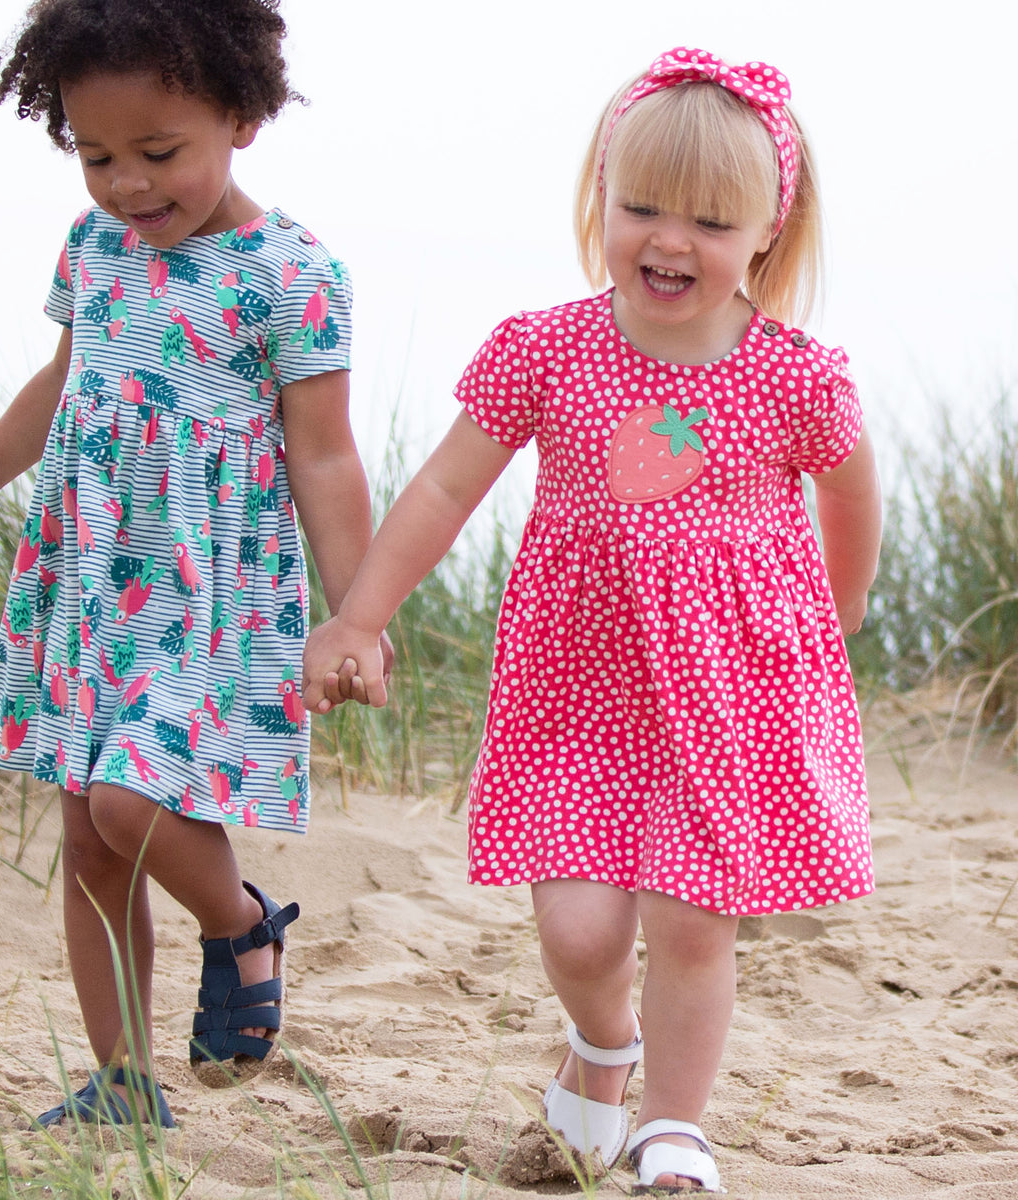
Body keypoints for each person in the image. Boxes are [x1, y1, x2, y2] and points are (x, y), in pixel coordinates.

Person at [301, 47, 881, 1193]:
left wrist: (840, 606)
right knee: (576, 930)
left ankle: (675, 1126)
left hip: (727, 690)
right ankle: (603, 1043)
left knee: (692, 921)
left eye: (712, 221)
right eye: (643, 206)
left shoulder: (795, 376)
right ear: (600, 197)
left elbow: (853, 489)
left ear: (769, 228)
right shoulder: (547, 350)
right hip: (578, 686)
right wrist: (360, 615)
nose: (671, 240)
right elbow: (442, 490)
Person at [0, 0, 388, 1130]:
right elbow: (61, 384)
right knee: (86, 835)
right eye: (97, 156)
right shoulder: (96, 248)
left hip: (207, 595)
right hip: (89, 579)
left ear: (243, 117)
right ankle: (122, 1082)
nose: (127, 185)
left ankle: (240, 926)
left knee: (131, 797)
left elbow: (324, 456)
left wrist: (359, 611)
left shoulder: (291, 273)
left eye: (158, 153)